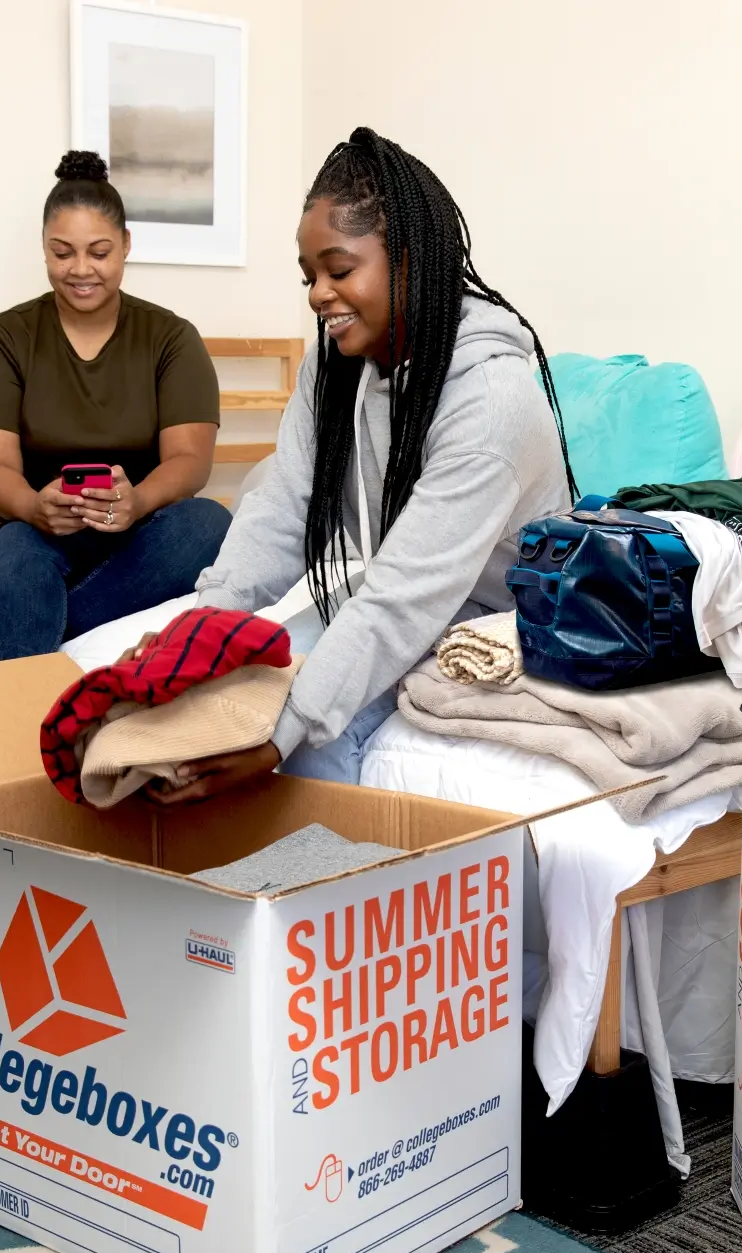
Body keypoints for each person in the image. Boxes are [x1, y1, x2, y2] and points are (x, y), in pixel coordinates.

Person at [151, 127, 576, 802]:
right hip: (408, 590)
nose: (319, 294)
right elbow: (284, 504)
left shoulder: (493, 402)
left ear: (410, 260)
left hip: (498, 616)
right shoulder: (338, 359)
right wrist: (199, 632)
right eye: (309, 277)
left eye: (339, 271)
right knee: (232, 685)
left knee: (316, 731)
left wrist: (278, 736)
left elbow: (401, 599)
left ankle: (317, 899)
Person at [0, 150, 232, 662]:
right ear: (43, 250)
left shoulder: (171, 337)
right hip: (39, 535)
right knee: (15, 552)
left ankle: (6, 652)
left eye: (99, 252)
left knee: (209, 525)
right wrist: (34, 507)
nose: (81, 270)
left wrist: (139, 501)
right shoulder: (3, 338)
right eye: (62, 253)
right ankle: (14, 700)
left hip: (139, 540)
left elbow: (189, 460)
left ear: (126, 245)